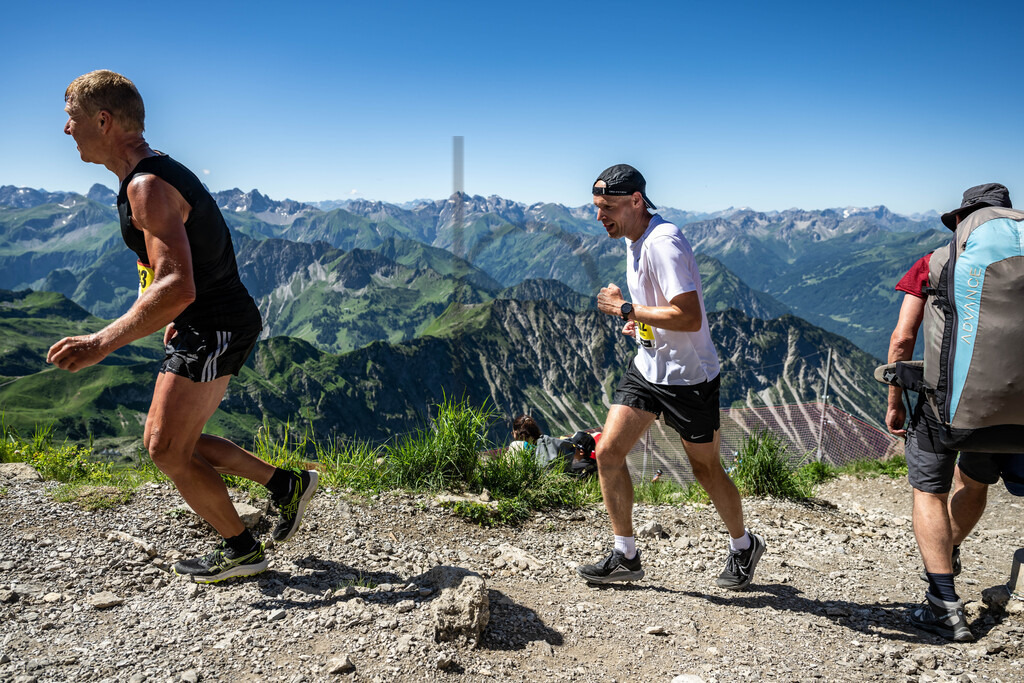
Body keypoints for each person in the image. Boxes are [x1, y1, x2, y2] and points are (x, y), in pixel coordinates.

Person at [50, 70, 318, 583]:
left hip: (215, 324)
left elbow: (178, 283)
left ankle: (241, 549)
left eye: (72, 119)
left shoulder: (147, 185)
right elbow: (161, 270)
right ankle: (285, 486)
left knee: (164, 448)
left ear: (103, 120)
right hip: (207, 322)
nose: (67, 130)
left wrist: (100, 341)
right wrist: (168, 315)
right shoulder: (144, 177)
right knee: (175, 440)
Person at [576, 164, 765, 589]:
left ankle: (743, 545)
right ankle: (625, 554)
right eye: (596, 208)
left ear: (636, 201)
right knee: (607, 453)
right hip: (648, 369)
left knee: (707, 470)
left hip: (689, 378)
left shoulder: (664, 243)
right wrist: (640, 321)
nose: (599, 216)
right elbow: (660, 308)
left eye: (606, 208)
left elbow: (689, 314)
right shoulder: (633, 237)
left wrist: (624, 309)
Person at [885, 182, 1014, 641]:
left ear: (962, 220)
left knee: (929, 491)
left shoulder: (935, 262)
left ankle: (944, 603)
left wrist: (895, 401)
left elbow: (902, 341)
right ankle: (949, 549)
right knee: (974, 483)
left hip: (949, 409)